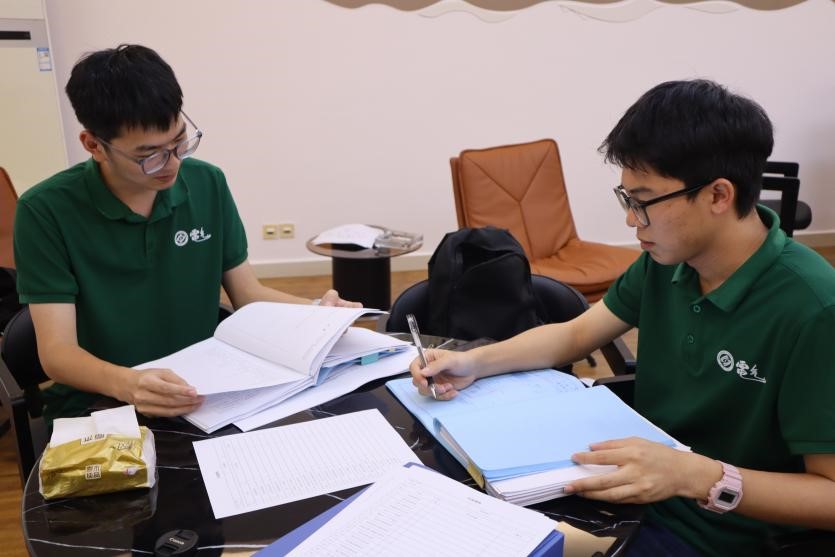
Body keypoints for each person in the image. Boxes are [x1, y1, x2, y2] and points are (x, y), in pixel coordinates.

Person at [410, 80, 835, 556]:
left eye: (644, 201)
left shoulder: (814, 308)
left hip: (711, 536)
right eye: (626, 198)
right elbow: (576, 334)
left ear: (718, 195)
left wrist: (698, 476)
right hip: (623, 497)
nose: (632, 221)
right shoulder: (667, 261)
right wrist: (473, 361)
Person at [13, 44, 360, 423]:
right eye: (149, 155)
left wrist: (317, 314)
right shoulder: (44, 210)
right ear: (94, 145)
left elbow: (248, 294)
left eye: (180, 141)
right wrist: (129, 384)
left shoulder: (207, 182)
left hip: (205, 390)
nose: (172, 163)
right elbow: (57, 353)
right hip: (101, 402)